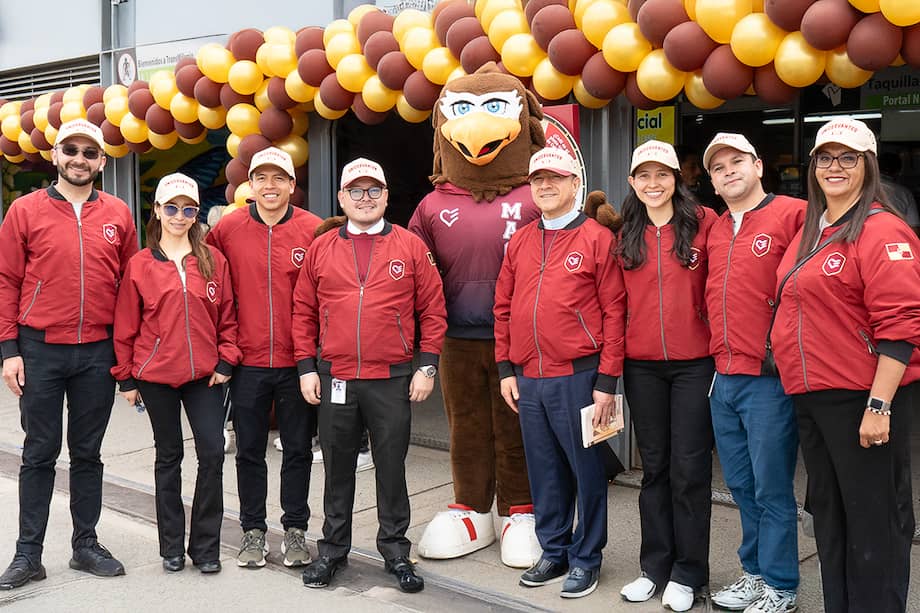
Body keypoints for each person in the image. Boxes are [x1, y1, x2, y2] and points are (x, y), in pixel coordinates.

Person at [771, 118, 920, 613]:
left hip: (862, 399)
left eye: (848, 158)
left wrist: (879, 405)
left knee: (875, 523)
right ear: (812, 166)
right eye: (825, 157)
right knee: (833, 519)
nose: (834, 167)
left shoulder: (882, 230)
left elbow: (901, 326)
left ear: (868, 166)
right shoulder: (812, 231)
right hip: (812, 400)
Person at [293, 157, 447, 593]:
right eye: (356, 191)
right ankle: (332, 552)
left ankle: (396, 552)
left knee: (391, 468)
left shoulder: (410, 246)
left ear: (386, 196)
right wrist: (307, 367)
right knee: (338, 468)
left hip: (393, 377)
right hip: (336, 375)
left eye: (373, 190)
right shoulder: (322, 248)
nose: (365, 198)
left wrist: (427, 366)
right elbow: (302, 311)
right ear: (342, 198)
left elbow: (433, 310)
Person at [0, 119, 138, 589]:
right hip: (39, 350)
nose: (80, 159)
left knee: (88, 453)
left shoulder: (119, 213)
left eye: (90, 152)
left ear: (102, 161)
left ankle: (85, 545)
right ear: (56, 155)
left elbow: (130, 289)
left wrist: (125, 356)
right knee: (39, 453)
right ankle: (28, 555)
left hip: (97, 351)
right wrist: (9, 350)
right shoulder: (24, 210)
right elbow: (6, 281)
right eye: (72, 150)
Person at [494, 147, 625, 599]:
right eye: (538, 180)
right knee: (545, 469)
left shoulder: (595, 238)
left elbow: (614, 311)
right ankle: (554, 549)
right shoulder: (521, 239)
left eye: (555, 178)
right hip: (529, 377)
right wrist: (506, 367)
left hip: (579, 376)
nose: (545, 186)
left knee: (587, 471)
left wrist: (607, 381)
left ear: (575, 184)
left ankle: (587, 557)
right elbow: (504, 306)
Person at [111, 173, 240, 574]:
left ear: (196, 214)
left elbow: (229, 318)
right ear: (157, 211)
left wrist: (226, 359)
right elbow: (125, 325)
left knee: (213, 453)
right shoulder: (140, 265)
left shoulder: (213, 260)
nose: (179, 216)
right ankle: (171, 546)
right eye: (172, 207)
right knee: (169, 456)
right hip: (156, 377)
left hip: (204, 376)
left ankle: (204, 546)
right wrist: (126, 379)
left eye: (188, 209)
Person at [702, 133, 806, 613]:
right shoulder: (717, 227)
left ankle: (781, 587)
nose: (728, 171)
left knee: (771, 488)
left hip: (769, 379)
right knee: (741, 486)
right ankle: (755, 573)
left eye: (736, 161)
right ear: (713, 183)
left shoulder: (793, 214)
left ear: (758, 165)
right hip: (723, 378)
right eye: (718, 168)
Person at [205, 147, 322, 569]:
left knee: (297, 451)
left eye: (279, 178)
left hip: (297, 364)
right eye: (262, 178)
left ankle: (295, 530)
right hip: (247, 361)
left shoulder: (313, 230)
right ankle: (253, 531)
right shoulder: (229, 229)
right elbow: (207, 285)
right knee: (249, 451)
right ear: (250, 186)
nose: (270, 186)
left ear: (293, 185)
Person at [616, 141, 717, 612]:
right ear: (633, 182)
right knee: (654, 468)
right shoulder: (625, 234)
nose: (653, 184)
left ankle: (689, 572)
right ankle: (654, 567)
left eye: (662, 175)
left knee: (689, 469)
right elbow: (614, 307)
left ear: (677, 178)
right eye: (643, 176)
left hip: (695, 364)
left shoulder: (704, 224)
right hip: (643, 367)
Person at [878, 151, 920, 231]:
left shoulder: (862, 188)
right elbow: (914, 228)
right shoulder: (904, 193)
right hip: (897, 238)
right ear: (899, 171)